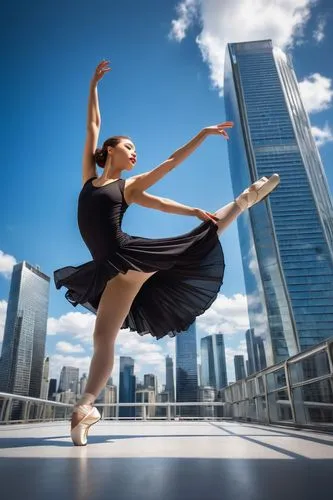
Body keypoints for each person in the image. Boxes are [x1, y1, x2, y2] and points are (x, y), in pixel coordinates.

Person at [54, 60, 280, 446]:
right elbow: (92, 124)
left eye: (136, 149)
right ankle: (85, 407)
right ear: (108, 151)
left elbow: (169, 168)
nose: (134, 153)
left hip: (127, 258)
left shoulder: (129, 186)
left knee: (197, 239)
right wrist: (93, 86)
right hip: (112, 270)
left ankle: (242, 201)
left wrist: (202, 135)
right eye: (129, 146)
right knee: (102, 338)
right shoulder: (91, 179)